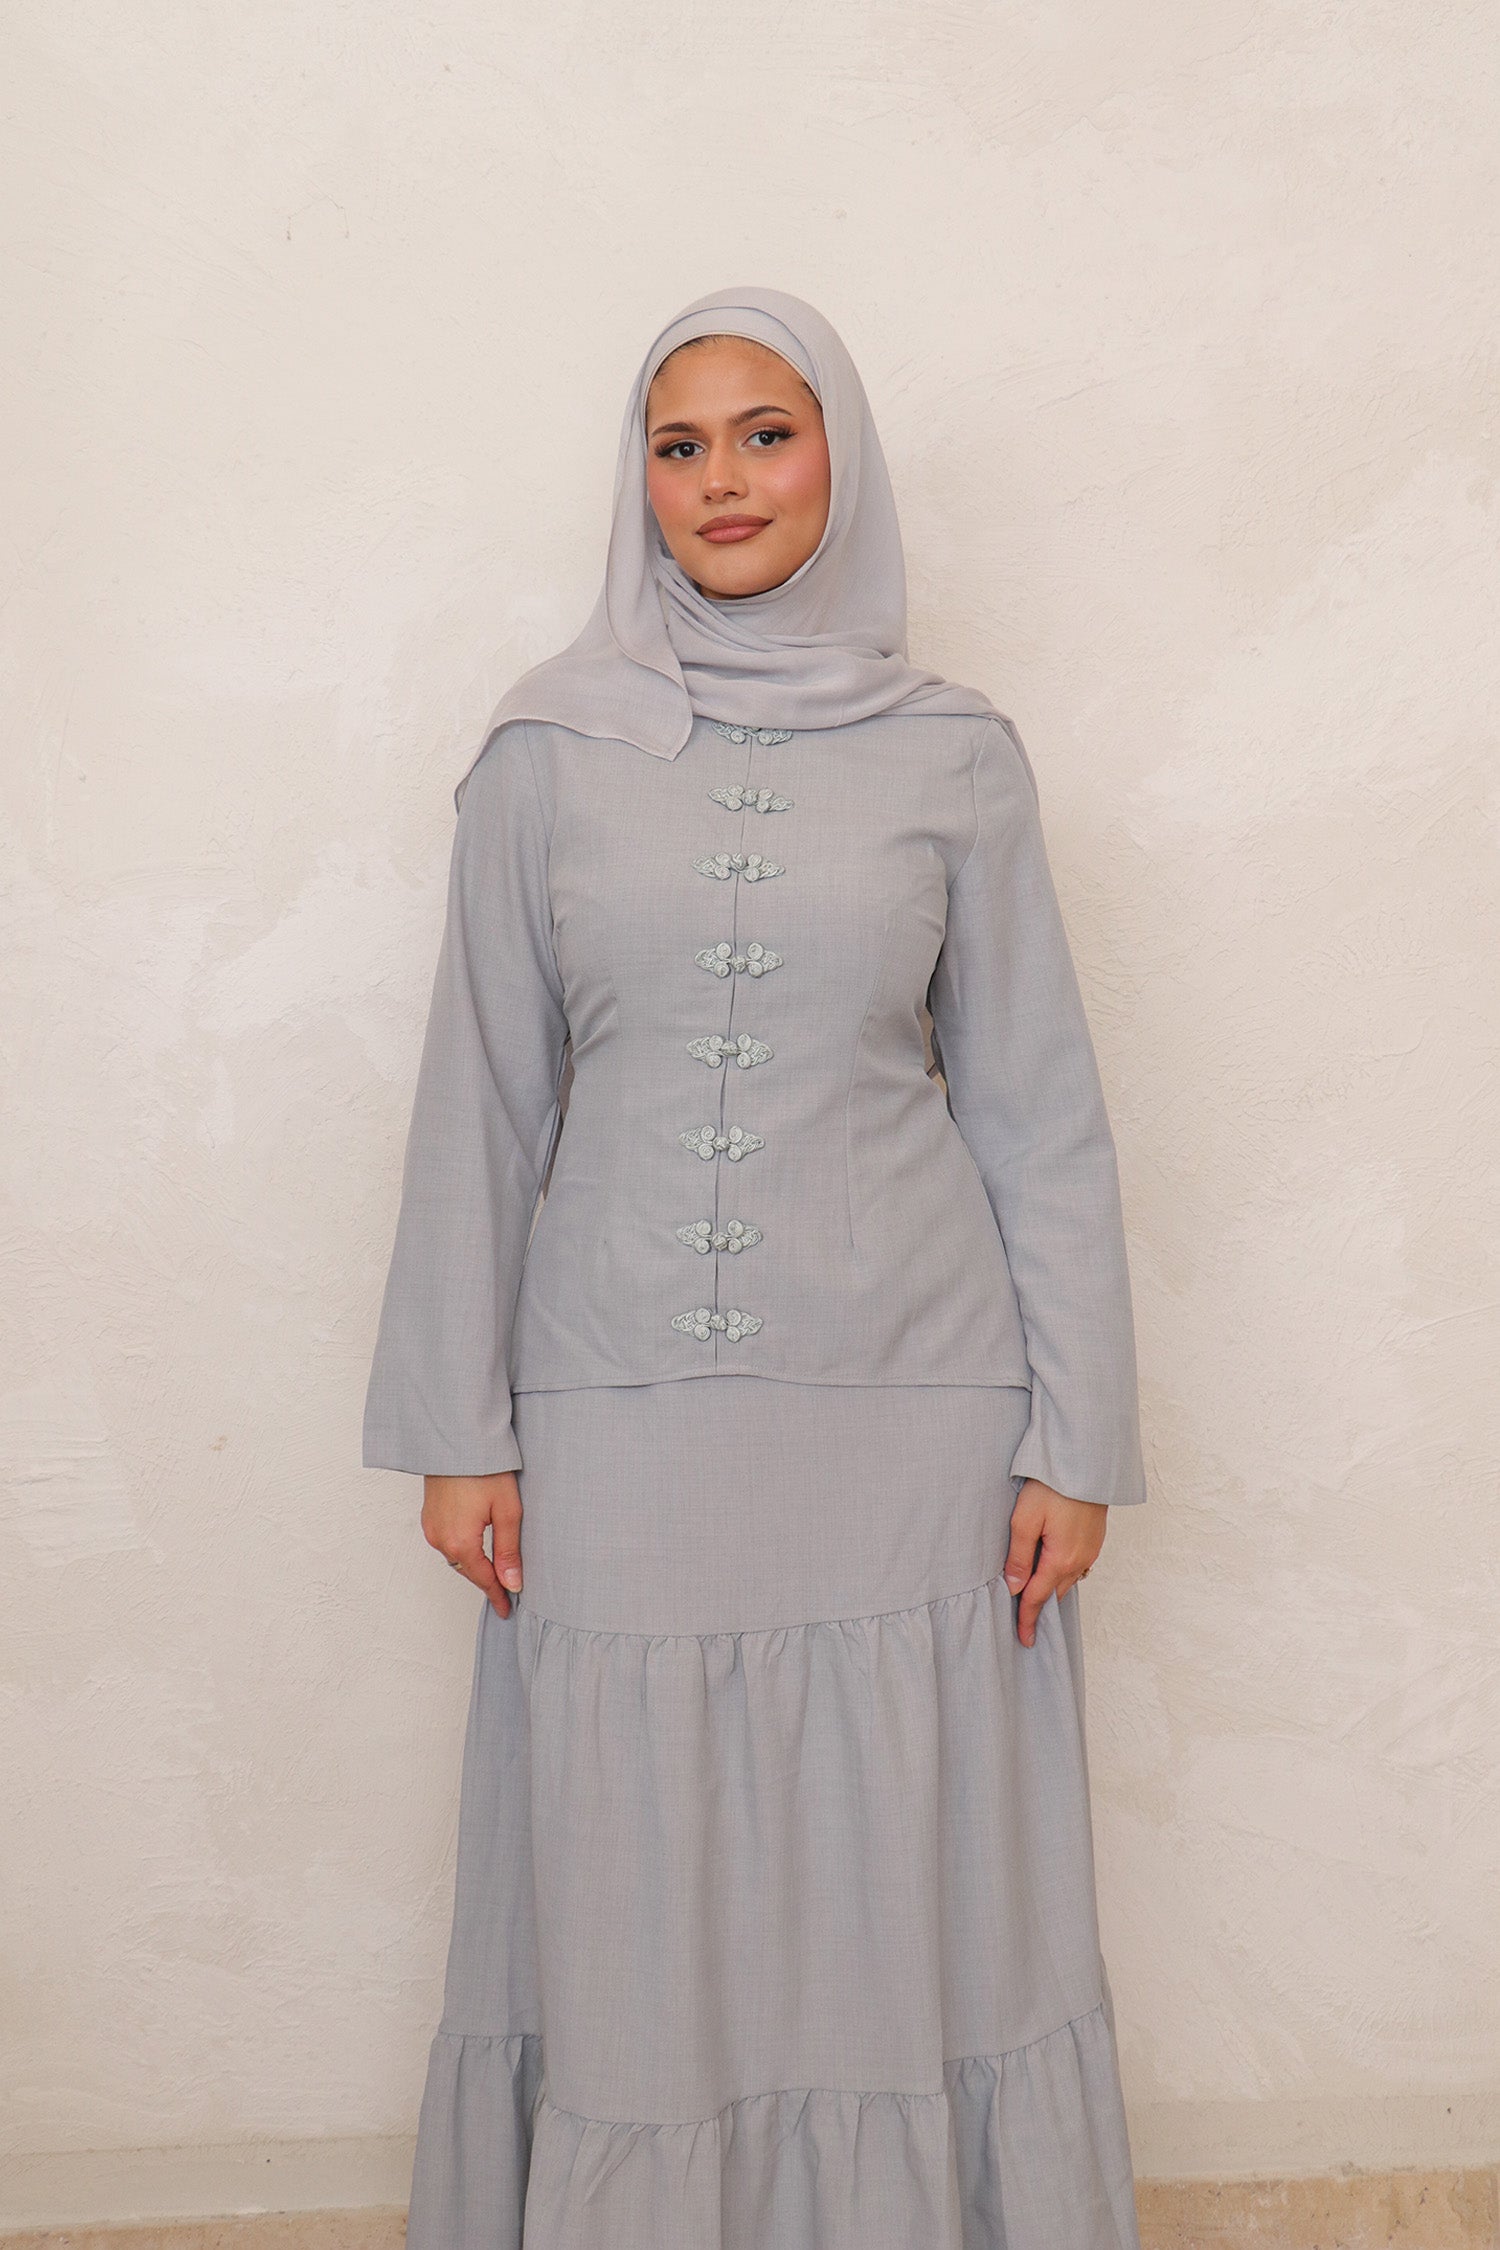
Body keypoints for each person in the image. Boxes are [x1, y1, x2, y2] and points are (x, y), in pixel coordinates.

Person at [362, 284, 1149, 2249]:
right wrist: (461, 1428)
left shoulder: (958, 755)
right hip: (617, 1410)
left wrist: (1074, 1439)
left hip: (918, 1420)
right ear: (639, 480)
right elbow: (484, 1101)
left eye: (767, 433)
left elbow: (1036, 1107)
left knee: (909, 1880)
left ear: (839, 460)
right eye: (680, 443)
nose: (723, 479)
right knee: (631, 1882)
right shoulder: (543, 755)